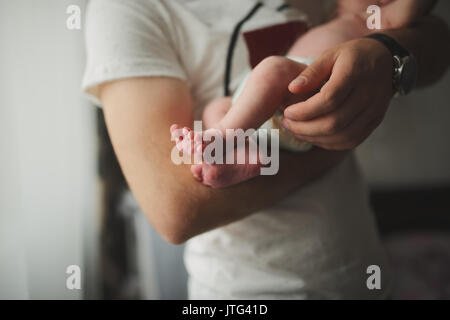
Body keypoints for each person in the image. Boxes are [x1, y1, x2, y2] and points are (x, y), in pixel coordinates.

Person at [83, 0, 450, 299]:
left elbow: (435, 36)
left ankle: (233, 143)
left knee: (268, 75)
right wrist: (347, 134)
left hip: (354, 267)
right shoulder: (125, 10)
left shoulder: (372, 19)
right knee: (237, 96)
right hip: (246, 291)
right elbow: (176, 211)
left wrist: (388, 54)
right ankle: (236, 148)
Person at [170, 0, 437, 189]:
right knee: (217, 105)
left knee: (272, 70)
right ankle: (246, 155)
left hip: (307, 101)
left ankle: (223, 136)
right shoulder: (333, 15)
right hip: (270, 112)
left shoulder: (378, 21)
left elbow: (413, 14)